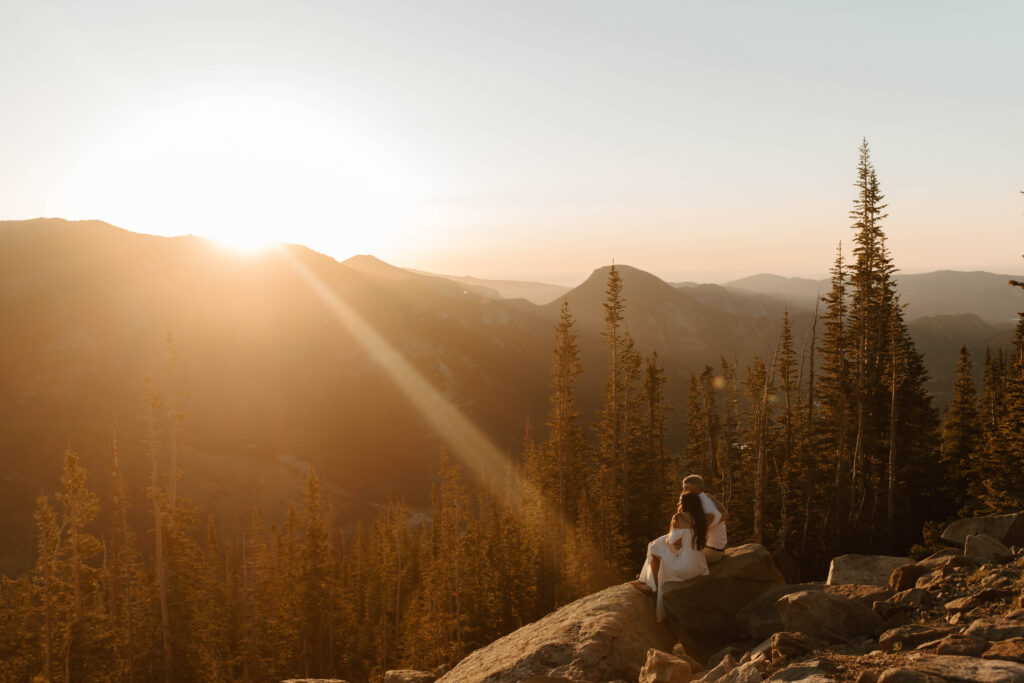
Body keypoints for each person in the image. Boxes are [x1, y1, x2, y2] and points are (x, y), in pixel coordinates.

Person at [631, 491, 709, 622]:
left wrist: (669, 540)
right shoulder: (702, 518)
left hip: (684, 568)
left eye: (680, 501)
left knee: (654, 550)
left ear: (684, 504)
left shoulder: (679, 517)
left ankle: (652, 587)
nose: (678, 503)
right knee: (655, 546)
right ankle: (646, 580)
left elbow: (672, 541)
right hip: (699, 566)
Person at [681, 474, 729, 564]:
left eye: (686, 488)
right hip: (719, 548)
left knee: (673, 559)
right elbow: (726, 514)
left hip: (712, 552)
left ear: (697, 488)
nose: (683, 491)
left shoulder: (699, 507)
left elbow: (694, 532)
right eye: (684, 488)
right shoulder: (708, 497)